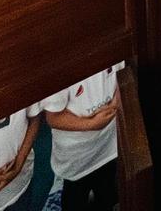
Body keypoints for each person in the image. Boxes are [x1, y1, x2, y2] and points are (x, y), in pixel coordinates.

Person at [42, 65, 121, 211]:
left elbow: (121, 78)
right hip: (76, 159)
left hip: (108, 148)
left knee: (108, 194)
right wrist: (91, 124)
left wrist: (115, 103)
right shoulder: (62, 66)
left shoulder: (111, 48)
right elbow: (53, 118)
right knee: (75, 199)